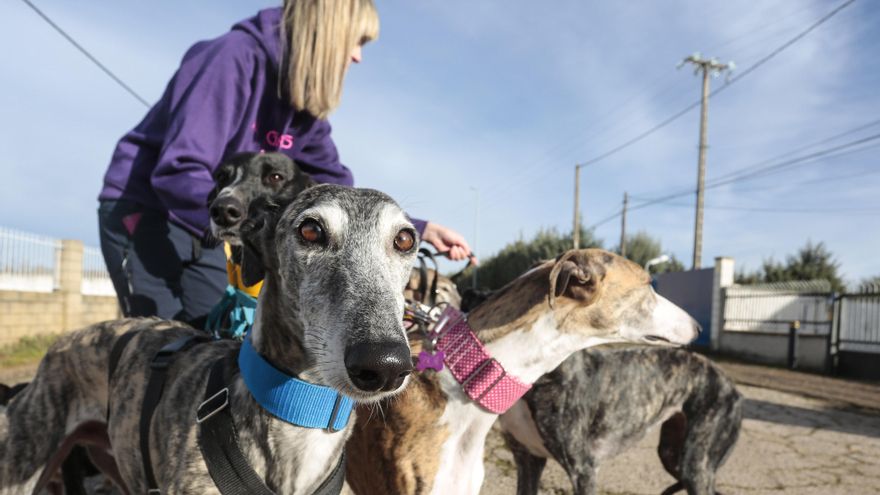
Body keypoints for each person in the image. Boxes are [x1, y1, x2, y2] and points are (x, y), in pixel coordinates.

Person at [98, 0, 474, 328]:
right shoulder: (232, 58)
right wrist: (261, 227)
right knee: (162, 349)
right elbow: (179, 170)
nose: (358, 56)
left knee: (210, 337)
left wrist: (417, 229)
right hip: (146, 210)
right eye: (357, 40)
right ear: (329, 28)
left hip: (216, 225)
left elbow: (337, 191)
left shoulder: (304, 109)